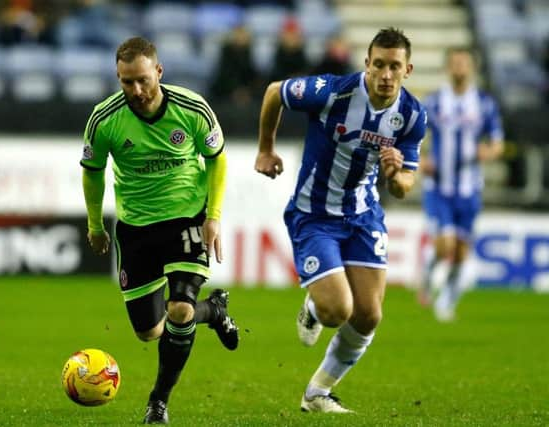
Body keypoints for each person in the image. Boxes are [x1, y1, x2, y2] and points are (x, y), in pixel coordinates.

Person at [254, 27, 426, 413]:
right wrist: (266, 149)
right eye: (378, 64)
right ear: (366, 63)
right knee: (337, 311)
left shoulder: (413, 115)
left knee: (369, 315)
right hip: (314, 214)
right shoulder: (333, 91)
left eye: (394, 66)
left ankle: (317, 393)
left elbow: (403, 186)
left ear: (407, 69)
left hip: (364, 216)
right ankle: (314, 308)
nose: (385, 74)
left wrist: (396, 174)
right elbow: (273, 92)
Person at [80, 36, 239, 425]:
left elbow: (217, 160)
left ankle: (158, 401)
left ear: (159, 72)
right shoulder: (105, 119)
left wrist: (213, 215)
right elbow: (92, 171)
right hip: (135, 227)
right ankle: (214, 311)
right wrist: (95, 224)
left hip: (187, 218)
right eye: (126, 81)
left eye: (142, 80)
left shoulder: (191, 108)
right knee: (150, 331)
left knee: (179, 308)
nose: (136, 90)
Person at [418, 47, 504, 321]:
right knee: (445, 246)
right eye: (454, 63)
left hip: (469, 188)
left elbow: (497, 143)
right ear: (447, 68)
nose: (459, 68)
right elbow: (410, 134)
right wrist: (421, 161)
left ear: (472, 68)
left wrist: (488, 152)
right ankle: (429, 274)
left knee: (461, 252)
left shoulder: (484, 103)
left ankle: (447, 300)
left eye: (463, 63)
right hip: (439, 187)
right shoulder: (434, 102)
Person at [209, 25, 262, 106]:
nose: (240, 38)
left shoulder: (248, 52)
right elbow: (224, 75)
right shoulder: (226, 52)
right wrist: (236, 91)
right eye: (238, 35)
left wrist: (246, 90)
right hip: (225, 92)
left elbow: (250, 74)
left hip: (247, 92)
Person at [268, 16, 310, 82]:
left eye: (293, 34)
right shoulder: (278, 55)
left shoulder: (302, 56)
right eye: (288, 34)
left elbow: (306, 75)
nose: (290, 38)